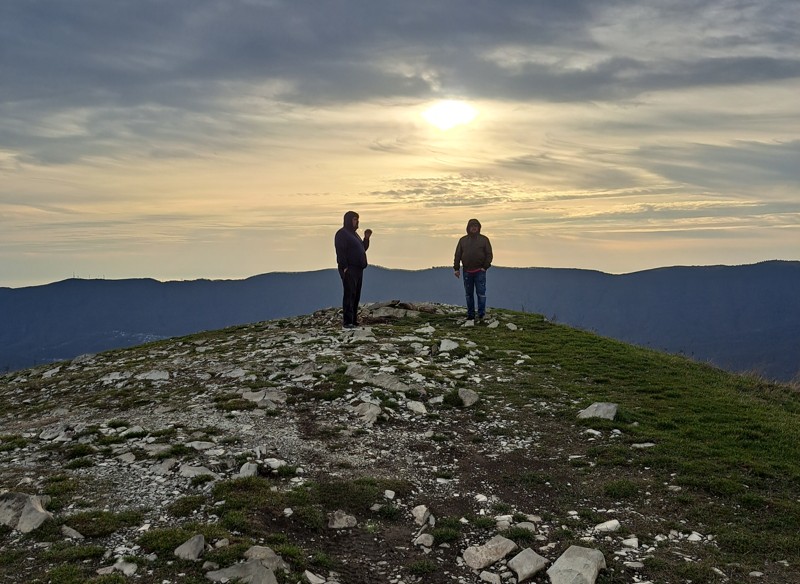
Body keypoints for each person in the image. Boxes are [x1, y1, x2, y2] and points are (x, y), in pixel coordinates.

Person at [334, 211, 372, 329]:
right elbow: (340, 251)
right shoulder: (342, 234)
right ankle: (347, 322)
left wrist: (366, 239)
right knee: (349, 295)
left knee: (356, 295)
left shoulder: (354, 235)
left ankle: (353, 320)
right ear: (348, 220)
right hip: (349, 269)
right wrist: (344, 267)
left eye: (357, 219)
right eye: (355, 219)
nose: (357, 221)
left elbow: (362, 248)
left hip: (358, 269)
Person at [453, 218, 493, 321]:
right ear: (468, 228)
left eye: (476, 226)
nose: (474, 228)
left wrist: (485, 267)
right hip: (467, 271)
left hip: (480, 271)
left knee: (481, 293)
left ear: (479, 228)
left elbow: (489, 254)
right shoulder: (463, 240)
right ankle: (470, 315)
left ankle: (481, 314)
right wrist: (456, 268)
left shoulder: (484, 240)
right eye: (472, 226)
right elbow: (458, 255)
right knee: (468, 294)